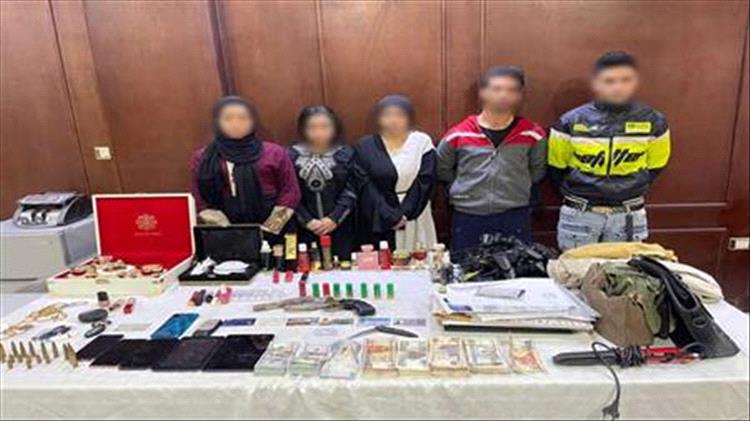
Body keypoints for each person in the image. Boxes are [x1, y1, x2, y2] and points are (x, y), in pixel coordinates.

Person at [548, 51, 671, 250]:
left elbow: (657, 166)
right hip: (580, 214)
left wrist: (628, 190)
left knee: (624, 270)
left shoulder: (654, 122)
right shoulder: (569, 121)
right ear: (596, 83)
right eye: (609, 81)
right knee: (575, 269)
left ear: (635, 82)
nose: (618, 87)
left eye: (625, 80)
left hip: (628, 214)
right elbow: (556, 167)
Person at [437, 66, 547, 251]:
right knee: (465, 266)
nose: (504, 95)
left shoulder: (533, 134)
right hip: (468, 215)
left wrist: (515, 187)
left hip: (514, 214)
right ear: (483, 93)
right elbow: (442, 169)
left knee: (517, 267)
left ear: (520, 95)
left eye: (512, 90)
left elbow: (537, 171)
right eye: (497, 89)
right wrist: (465, 189)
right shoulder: (459, 133)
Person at [190, 96, 300, 239]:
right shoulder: (204, 158)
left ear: (253, 121)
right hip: (225, 231)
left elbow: (290, 192)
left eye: (243, 118)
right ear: (217, 122)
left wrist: (269, 229)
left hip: (274, 228)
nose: (236, 124)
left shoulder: (274, 153)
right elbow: (200, 198)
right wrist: (231, 232)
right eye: (228, 119)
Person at [354, 95, 437, 250]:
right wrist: (389, 216)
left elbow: (426, 180)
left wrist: (405, 214)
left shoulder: (421, 142)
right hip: (379, 213)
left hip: (416, 211)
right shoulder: (365, 146)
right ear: (378, 119)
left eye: (400, 115)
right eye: (387, 115)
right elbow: (365, 185)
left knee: (418, 257)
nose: (393, 120)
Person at [288, 105, 358, 258]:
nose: (319, 133)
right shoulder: (291, 156)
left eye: (325, 127)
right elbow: (289, 191)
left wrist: (334, 218)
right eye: (312, 127)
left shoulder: (345, 154)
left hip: (341, 224)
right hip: (303, 227)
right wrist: (307, 220)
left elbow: (351, 189)